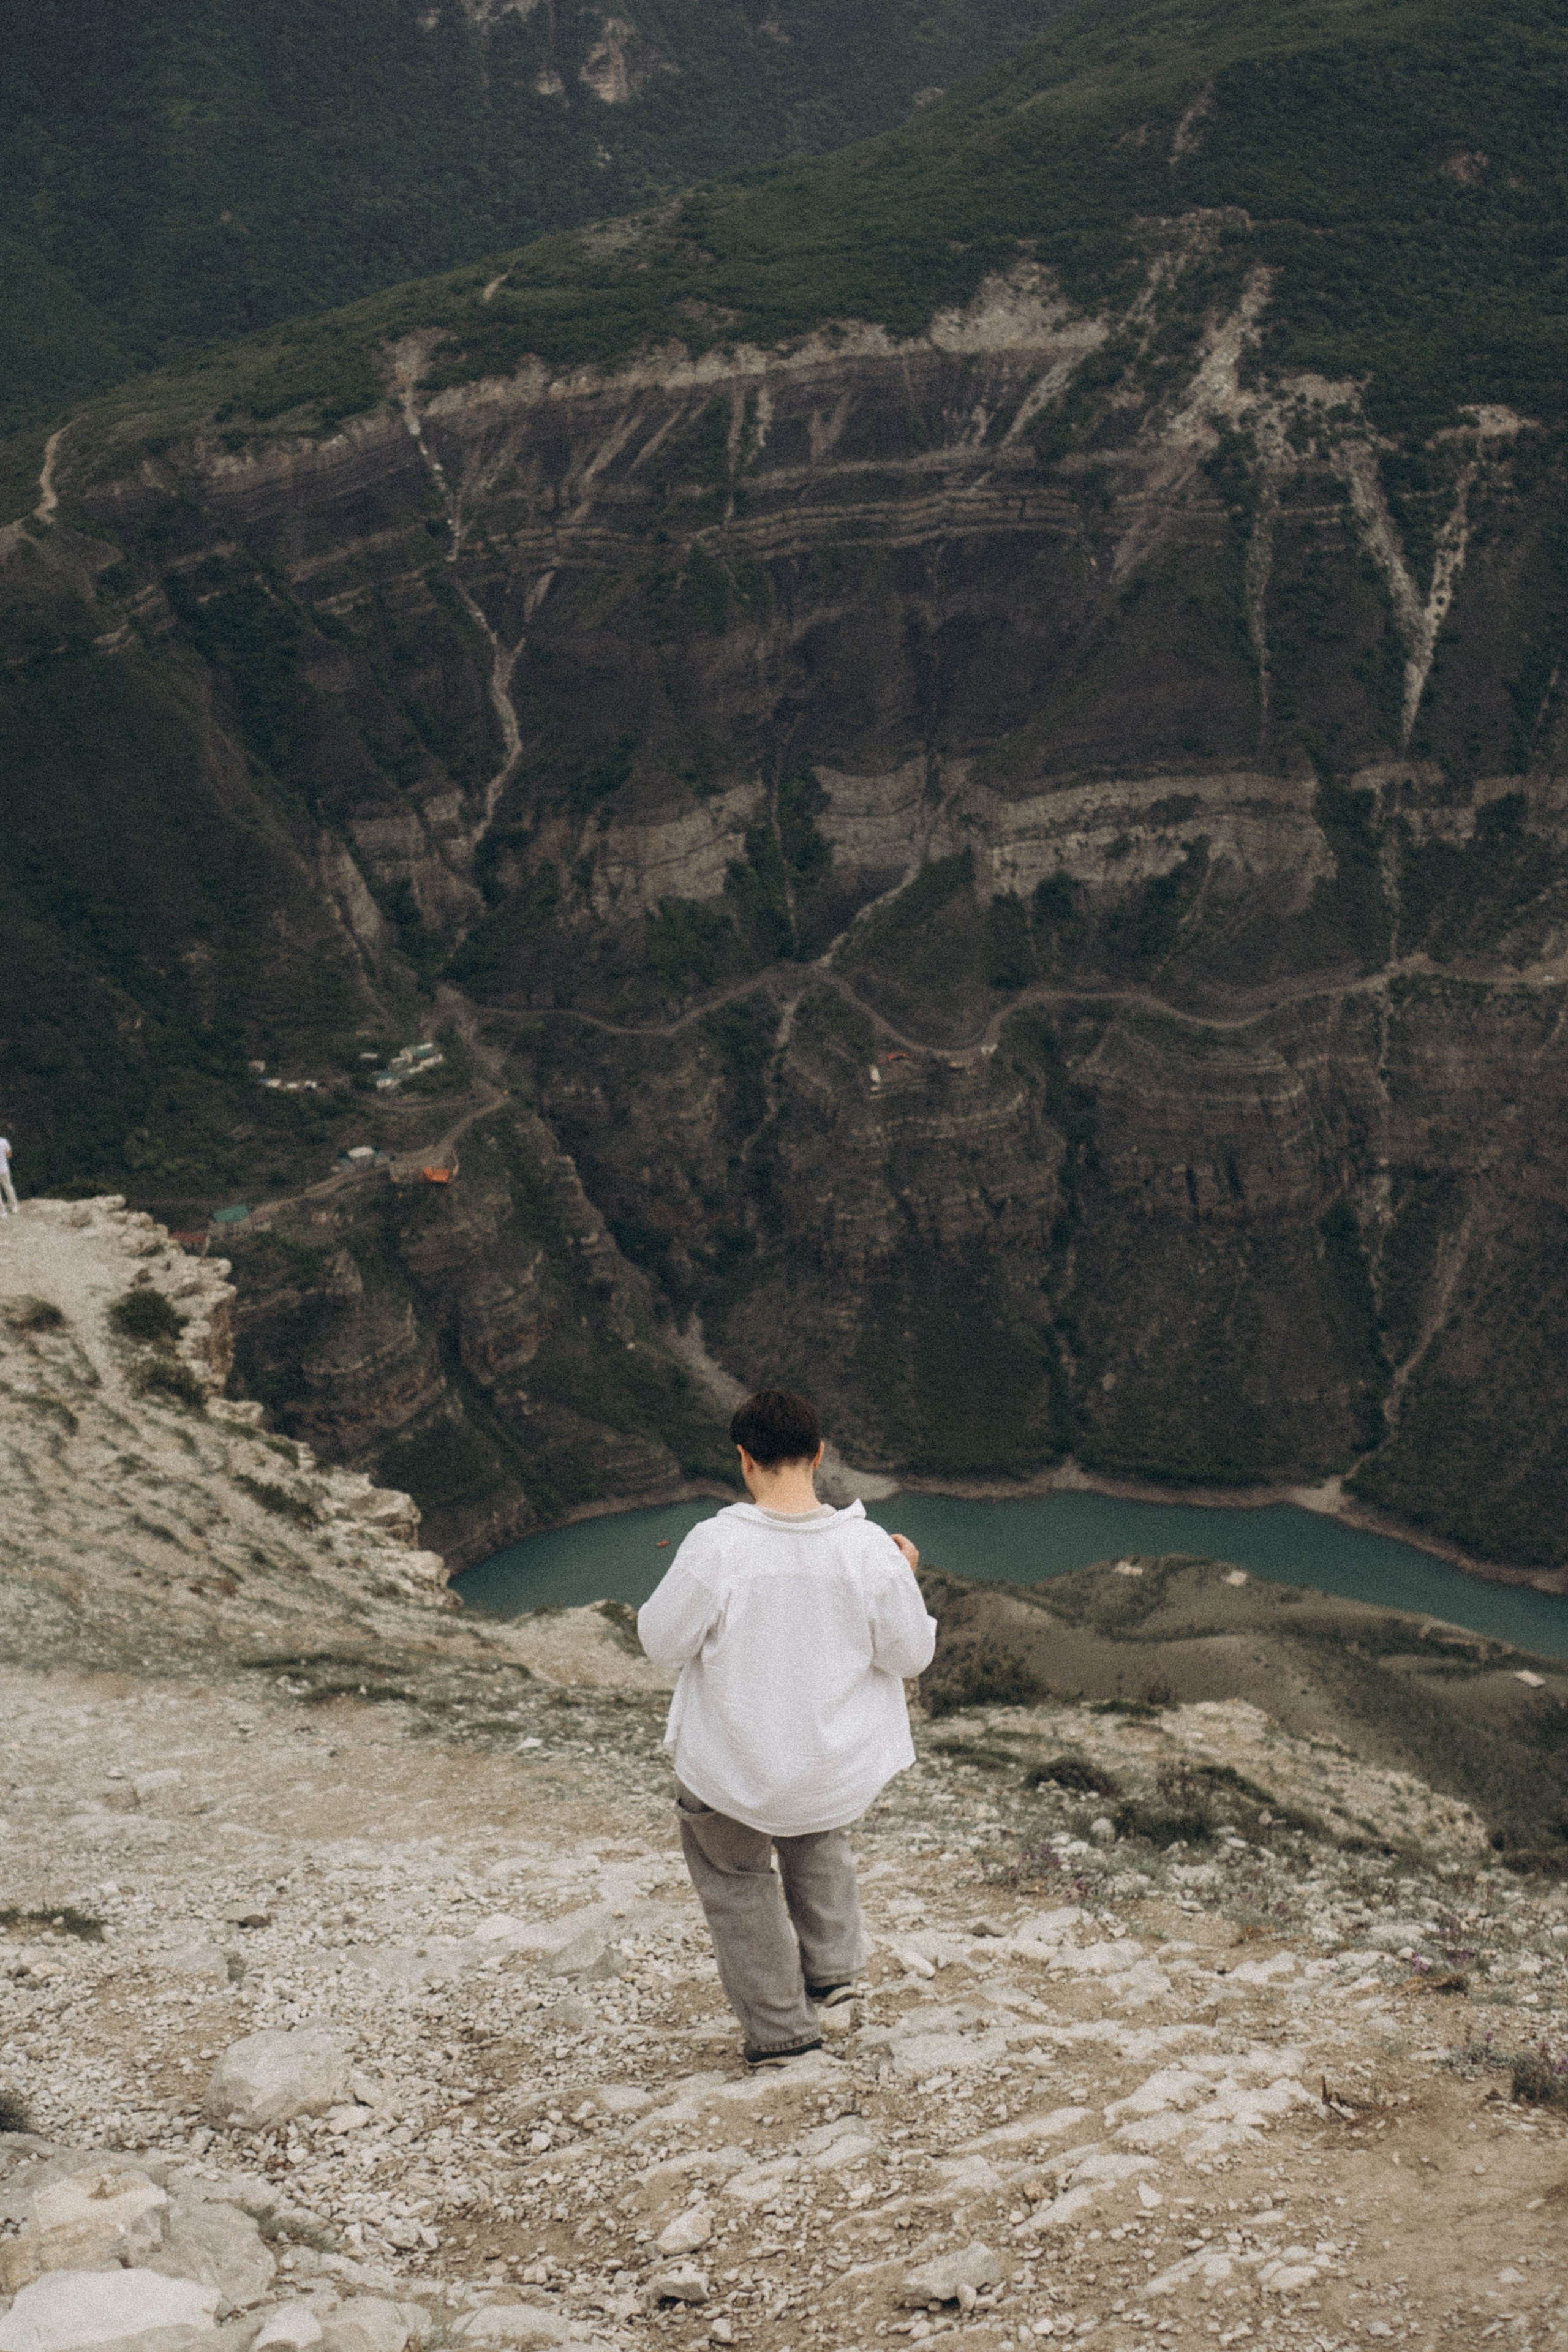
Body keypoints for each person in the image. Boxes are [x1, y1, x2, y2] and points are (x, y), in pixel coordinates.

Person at [638, 1388, 936, 2066]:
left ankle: (780, 2032)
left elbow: (661, 1642)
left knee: (736, 1878)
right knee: (816, 1835)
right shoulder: (867, 1549)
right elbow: (910, 1655)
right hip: (828, 1767)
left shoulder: (716, 1546)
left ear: (744, 1459)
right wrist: (904, 1576)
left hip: (734, 1769)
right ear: (819, 1453)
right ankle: (834, 1978)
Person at [0, 1136, 16, 1216]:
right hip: (4, 1169)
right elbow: (9, 1155)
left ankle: (2, 1212)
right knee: (8, 1188)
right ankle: (14, 1207)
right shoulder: (4, 1141)